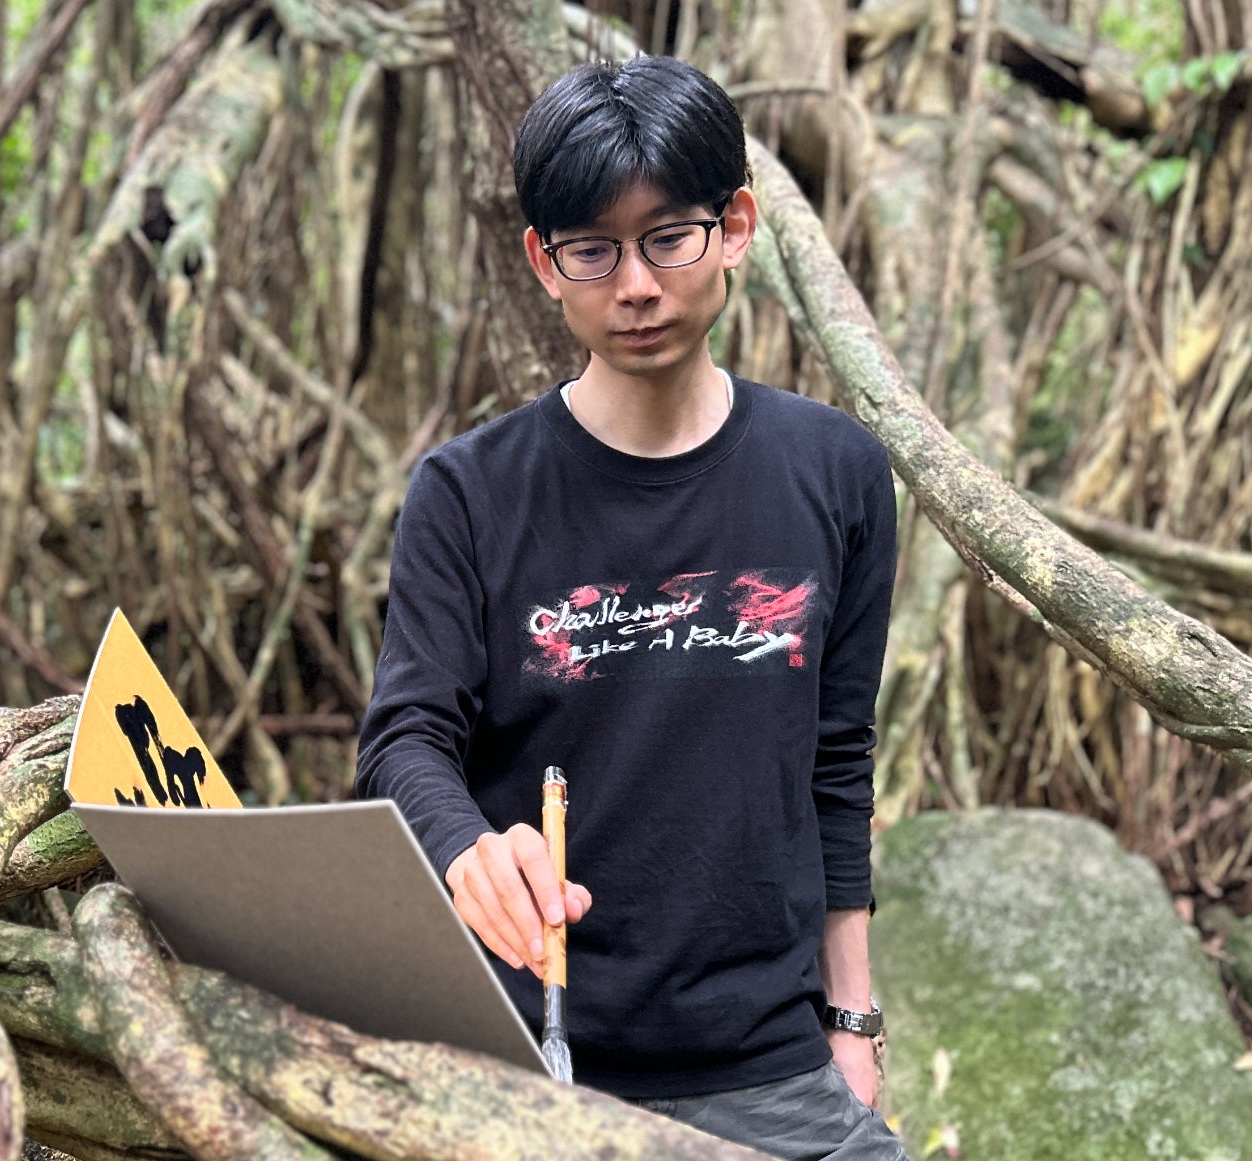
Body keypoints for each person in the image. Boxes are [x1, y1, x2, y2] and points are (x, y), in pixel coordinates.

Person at [354, 54, 908, 1161]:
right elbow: (403, 738)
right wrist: (466, 849)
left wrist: (850, 1021)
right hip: (529, 1055)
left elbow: (836, 760)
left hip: (766, 1062)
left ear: (735, 227)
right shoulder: (468, 492)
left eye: (668, 239)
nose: (636, 286)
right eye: (593, 251)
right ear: (542, 262)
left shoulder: (835, 472)